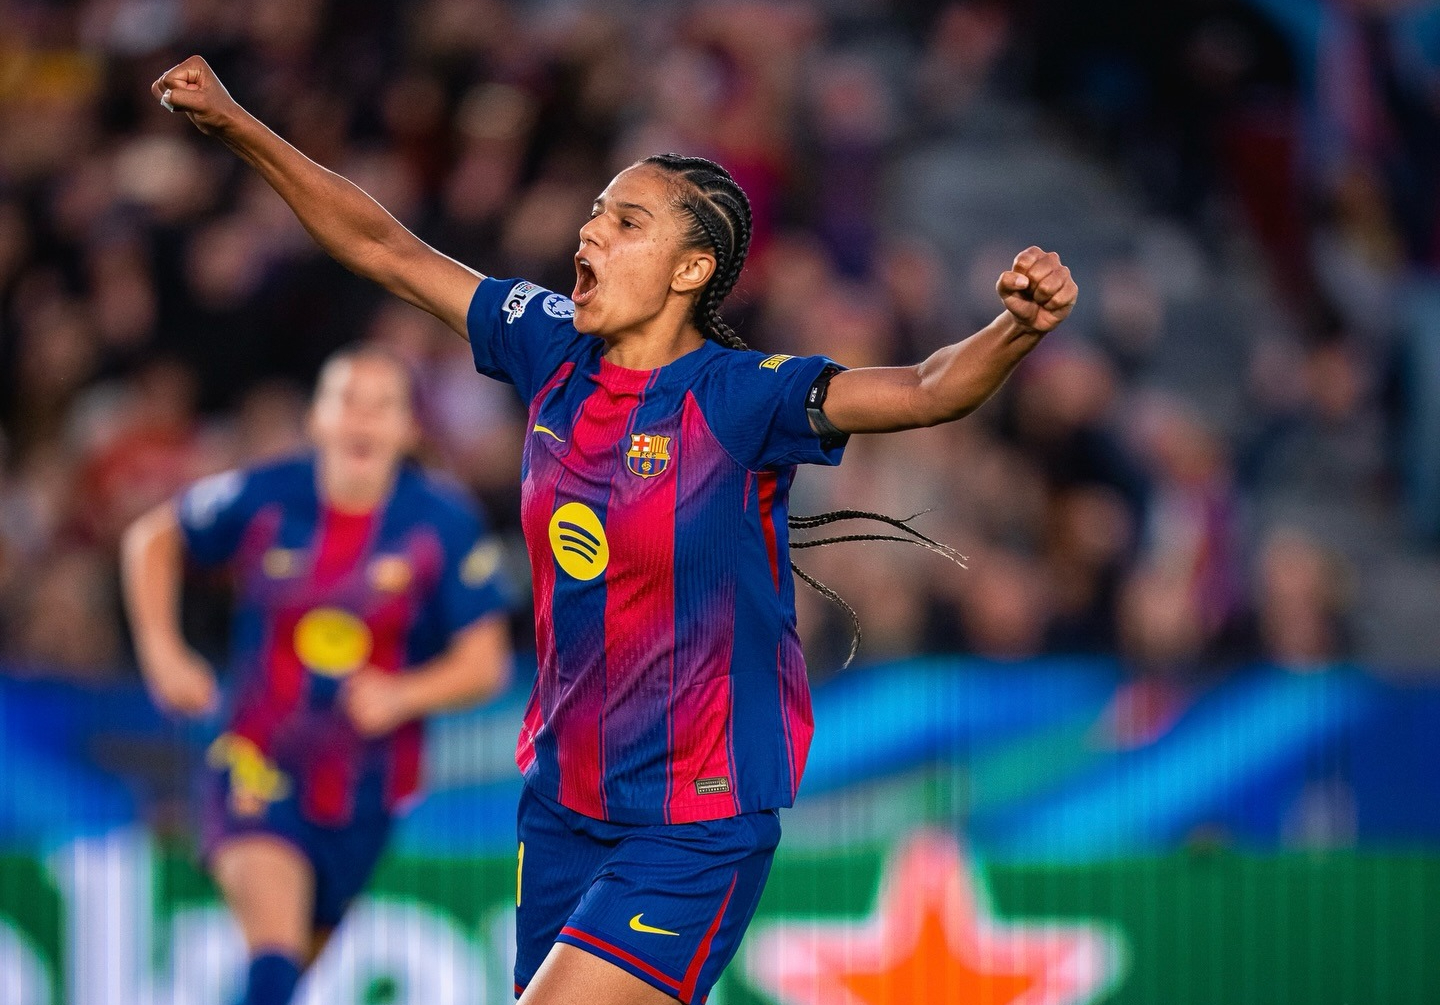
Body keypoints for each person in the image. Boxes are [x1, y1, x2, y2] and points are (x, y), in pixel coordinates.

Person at [147, 55, 1078, 1005]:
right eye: (596, 211)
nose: (591, 229)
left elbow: (925, 390)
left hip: (693, 822)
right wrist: (242, 130)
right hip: (561, 807)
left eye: (626, 220)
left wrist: (1015, 330)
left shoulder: (741, 396)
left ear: (691, 267)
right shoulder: (548, 343)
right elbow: (386, 247)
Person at [120, 346, 513, 1005]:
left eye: (381, 404)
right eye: (346, 401)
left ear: (407, 428)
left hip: (367, 789)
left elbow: (485, 664)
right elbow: (152, 539)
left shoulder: (443, 523)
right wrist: (164, 654)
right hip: (255, 760)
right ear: (318, 420)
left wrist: (402, 694)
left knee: (282, 980)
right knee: (274, 954)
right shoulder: (265, 494)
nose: (362, 418)